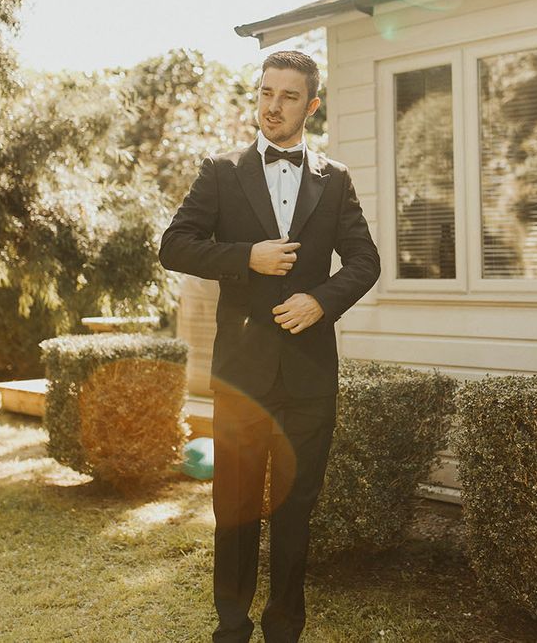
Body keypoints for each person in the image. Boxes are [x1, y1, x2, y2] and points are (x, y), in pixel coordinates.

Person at [158, 50, 380, 643]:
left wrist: (321, 301)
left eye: (287, 97)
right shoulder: (222, 170)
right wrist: (243, 257)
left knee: (294, 513)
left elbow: (365, 261)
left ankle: (285, 629)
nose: (272, 106)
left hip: (309, 379)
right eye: (265, 93)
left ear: (311, 105)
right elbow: (174, 245)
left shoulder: (335, 180)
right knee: (233, 510)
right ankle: (231, 628)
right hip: (242, 375)